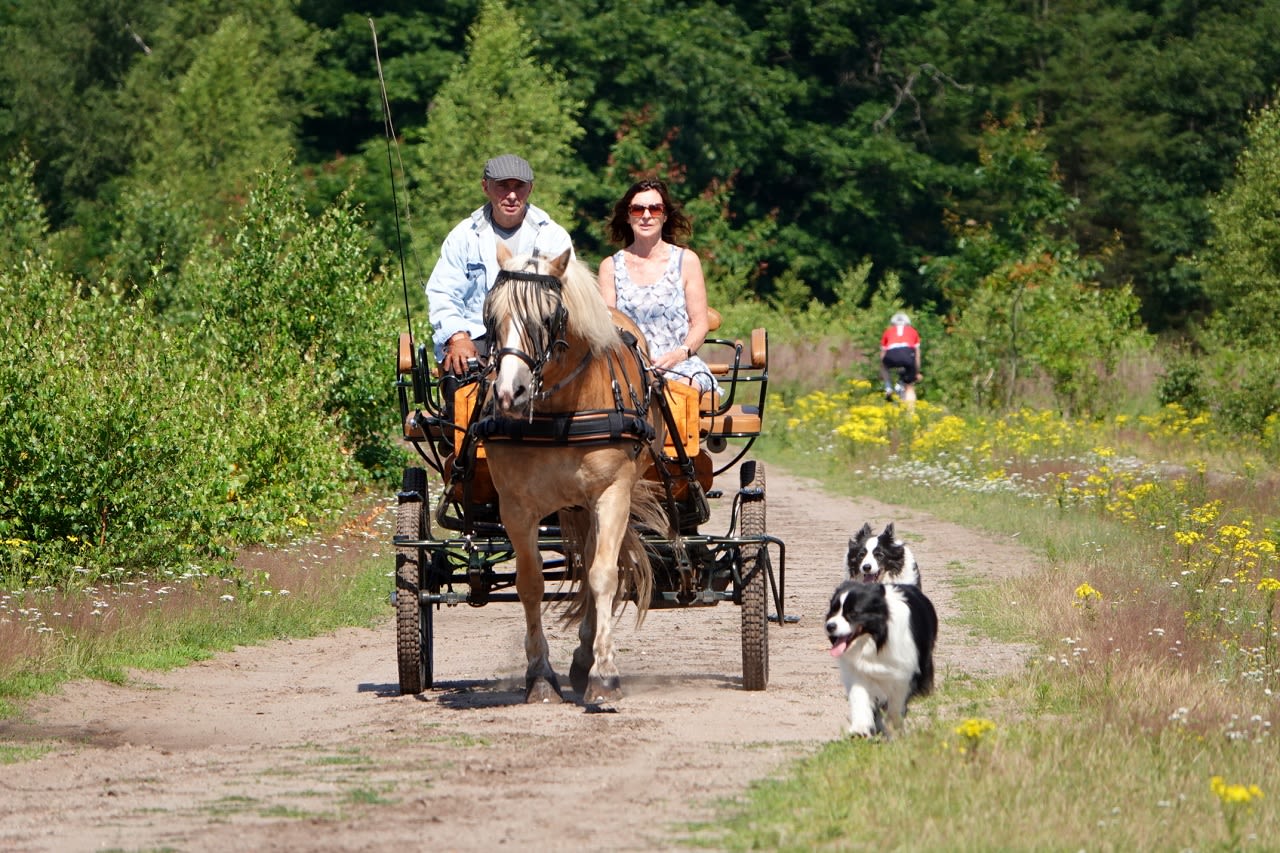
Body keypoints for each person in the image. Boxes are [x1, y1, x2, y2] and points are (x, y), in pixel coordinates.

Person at [424, 154, 574, 376]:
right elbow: (442, 293)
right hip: (477, 340)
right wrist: (458, 336)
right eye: (503, 186)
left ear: (530, 188)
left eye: (519, 187)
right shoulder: (463, 236)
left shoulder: (553, 236)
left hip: (538, 340)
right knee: (461, 382)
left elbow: (569, 296)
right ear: (485, 187)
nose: (512, 195)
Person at [597, 179, 719, 398]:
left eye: (654, 209)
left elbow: (699, 324)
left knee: (682, 393)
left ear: (664, 216)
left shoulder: (686, 261)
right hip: (628, 368)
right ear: (628, 216)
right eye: (637, 209)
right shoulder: (610, 267)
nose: (646, 215)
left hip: (679, 365)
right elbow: (608, 328)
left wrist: (678, 355)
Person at [880, 311, 921, 405]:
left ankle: (888, 387)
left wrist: (882, 370)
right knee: (909, 387)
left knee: (884, 365)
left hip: (891, 354)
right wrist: (916, 372)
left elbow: (882, 354)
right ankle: (910, 415)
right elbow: (917, 355)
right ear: (908, 323)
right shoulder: (913, 331)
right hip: (907, 354)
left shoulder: (888, 331)